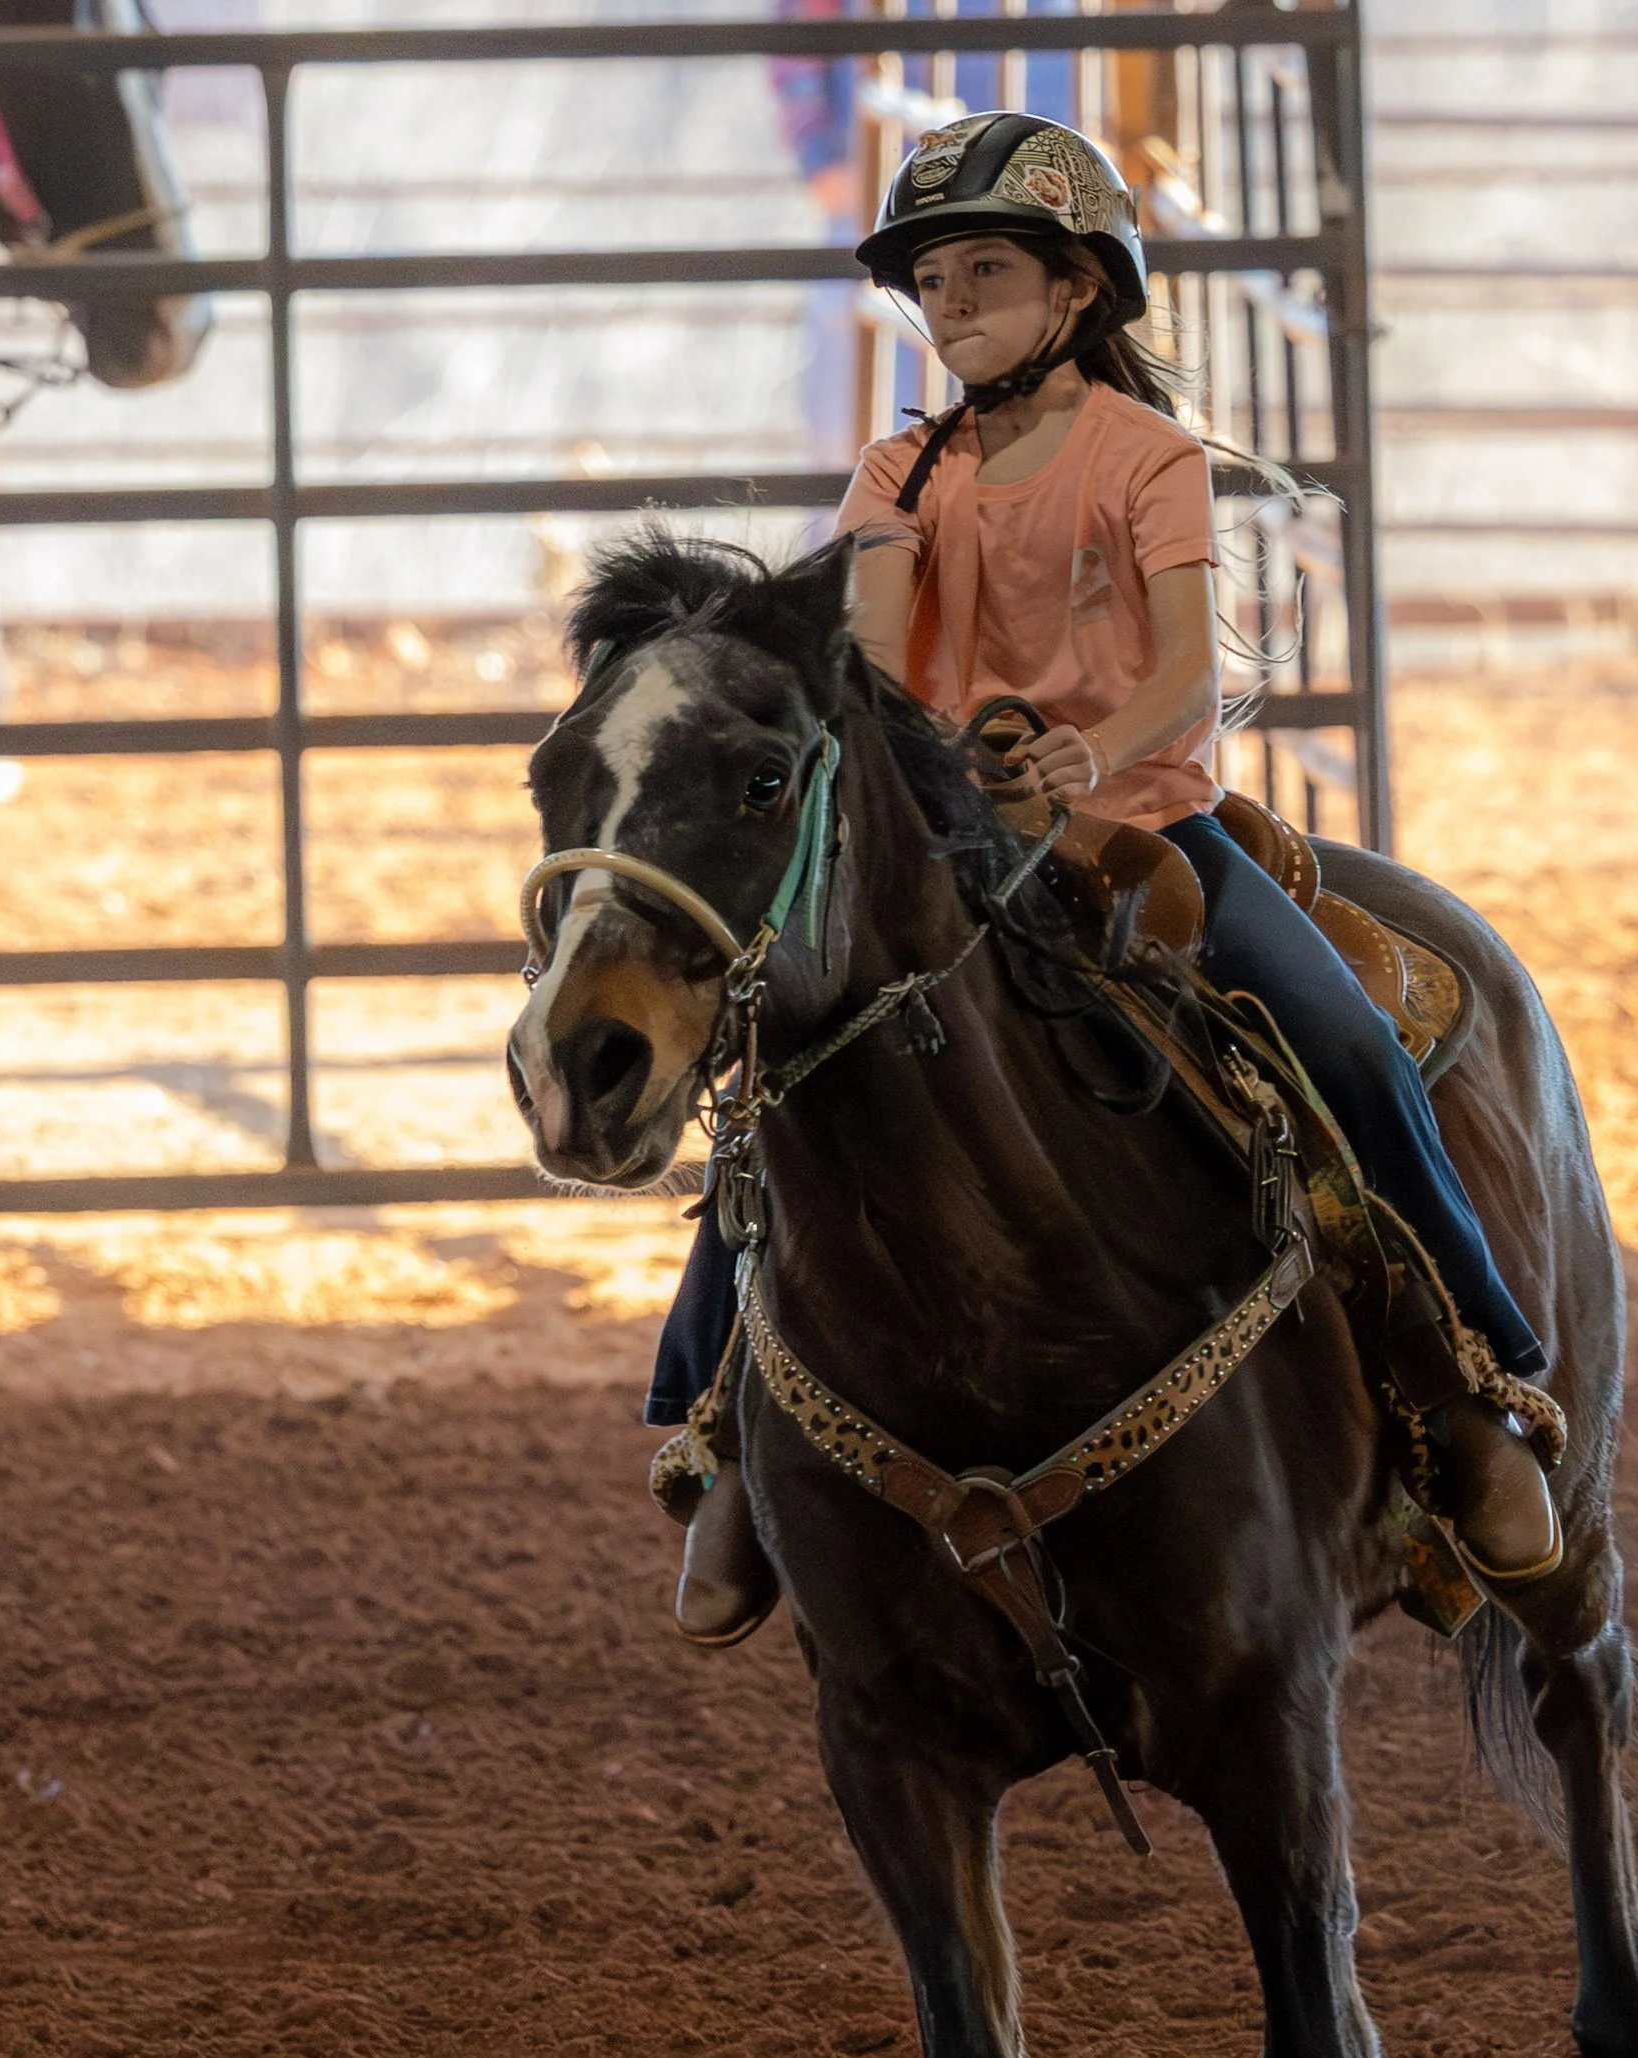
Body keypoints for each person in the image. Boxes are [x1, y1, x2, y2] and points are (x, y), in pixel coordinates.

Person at [652, 112, 1560, 1644]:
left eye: (983, 273)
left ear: (1077, 290)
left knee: (1337, 1042)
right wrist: (943, 772)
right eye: (929, 283)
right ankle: (723, 1424)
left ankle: (1476, 1378)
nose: (949, 308)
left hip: (1147, 827)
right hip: (952, 852)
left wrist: (1079, 754)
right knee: (782, 1075)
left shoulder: (1151, 463)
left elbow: (1188, 677)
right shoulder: (896, 470)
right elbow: (871, 666)